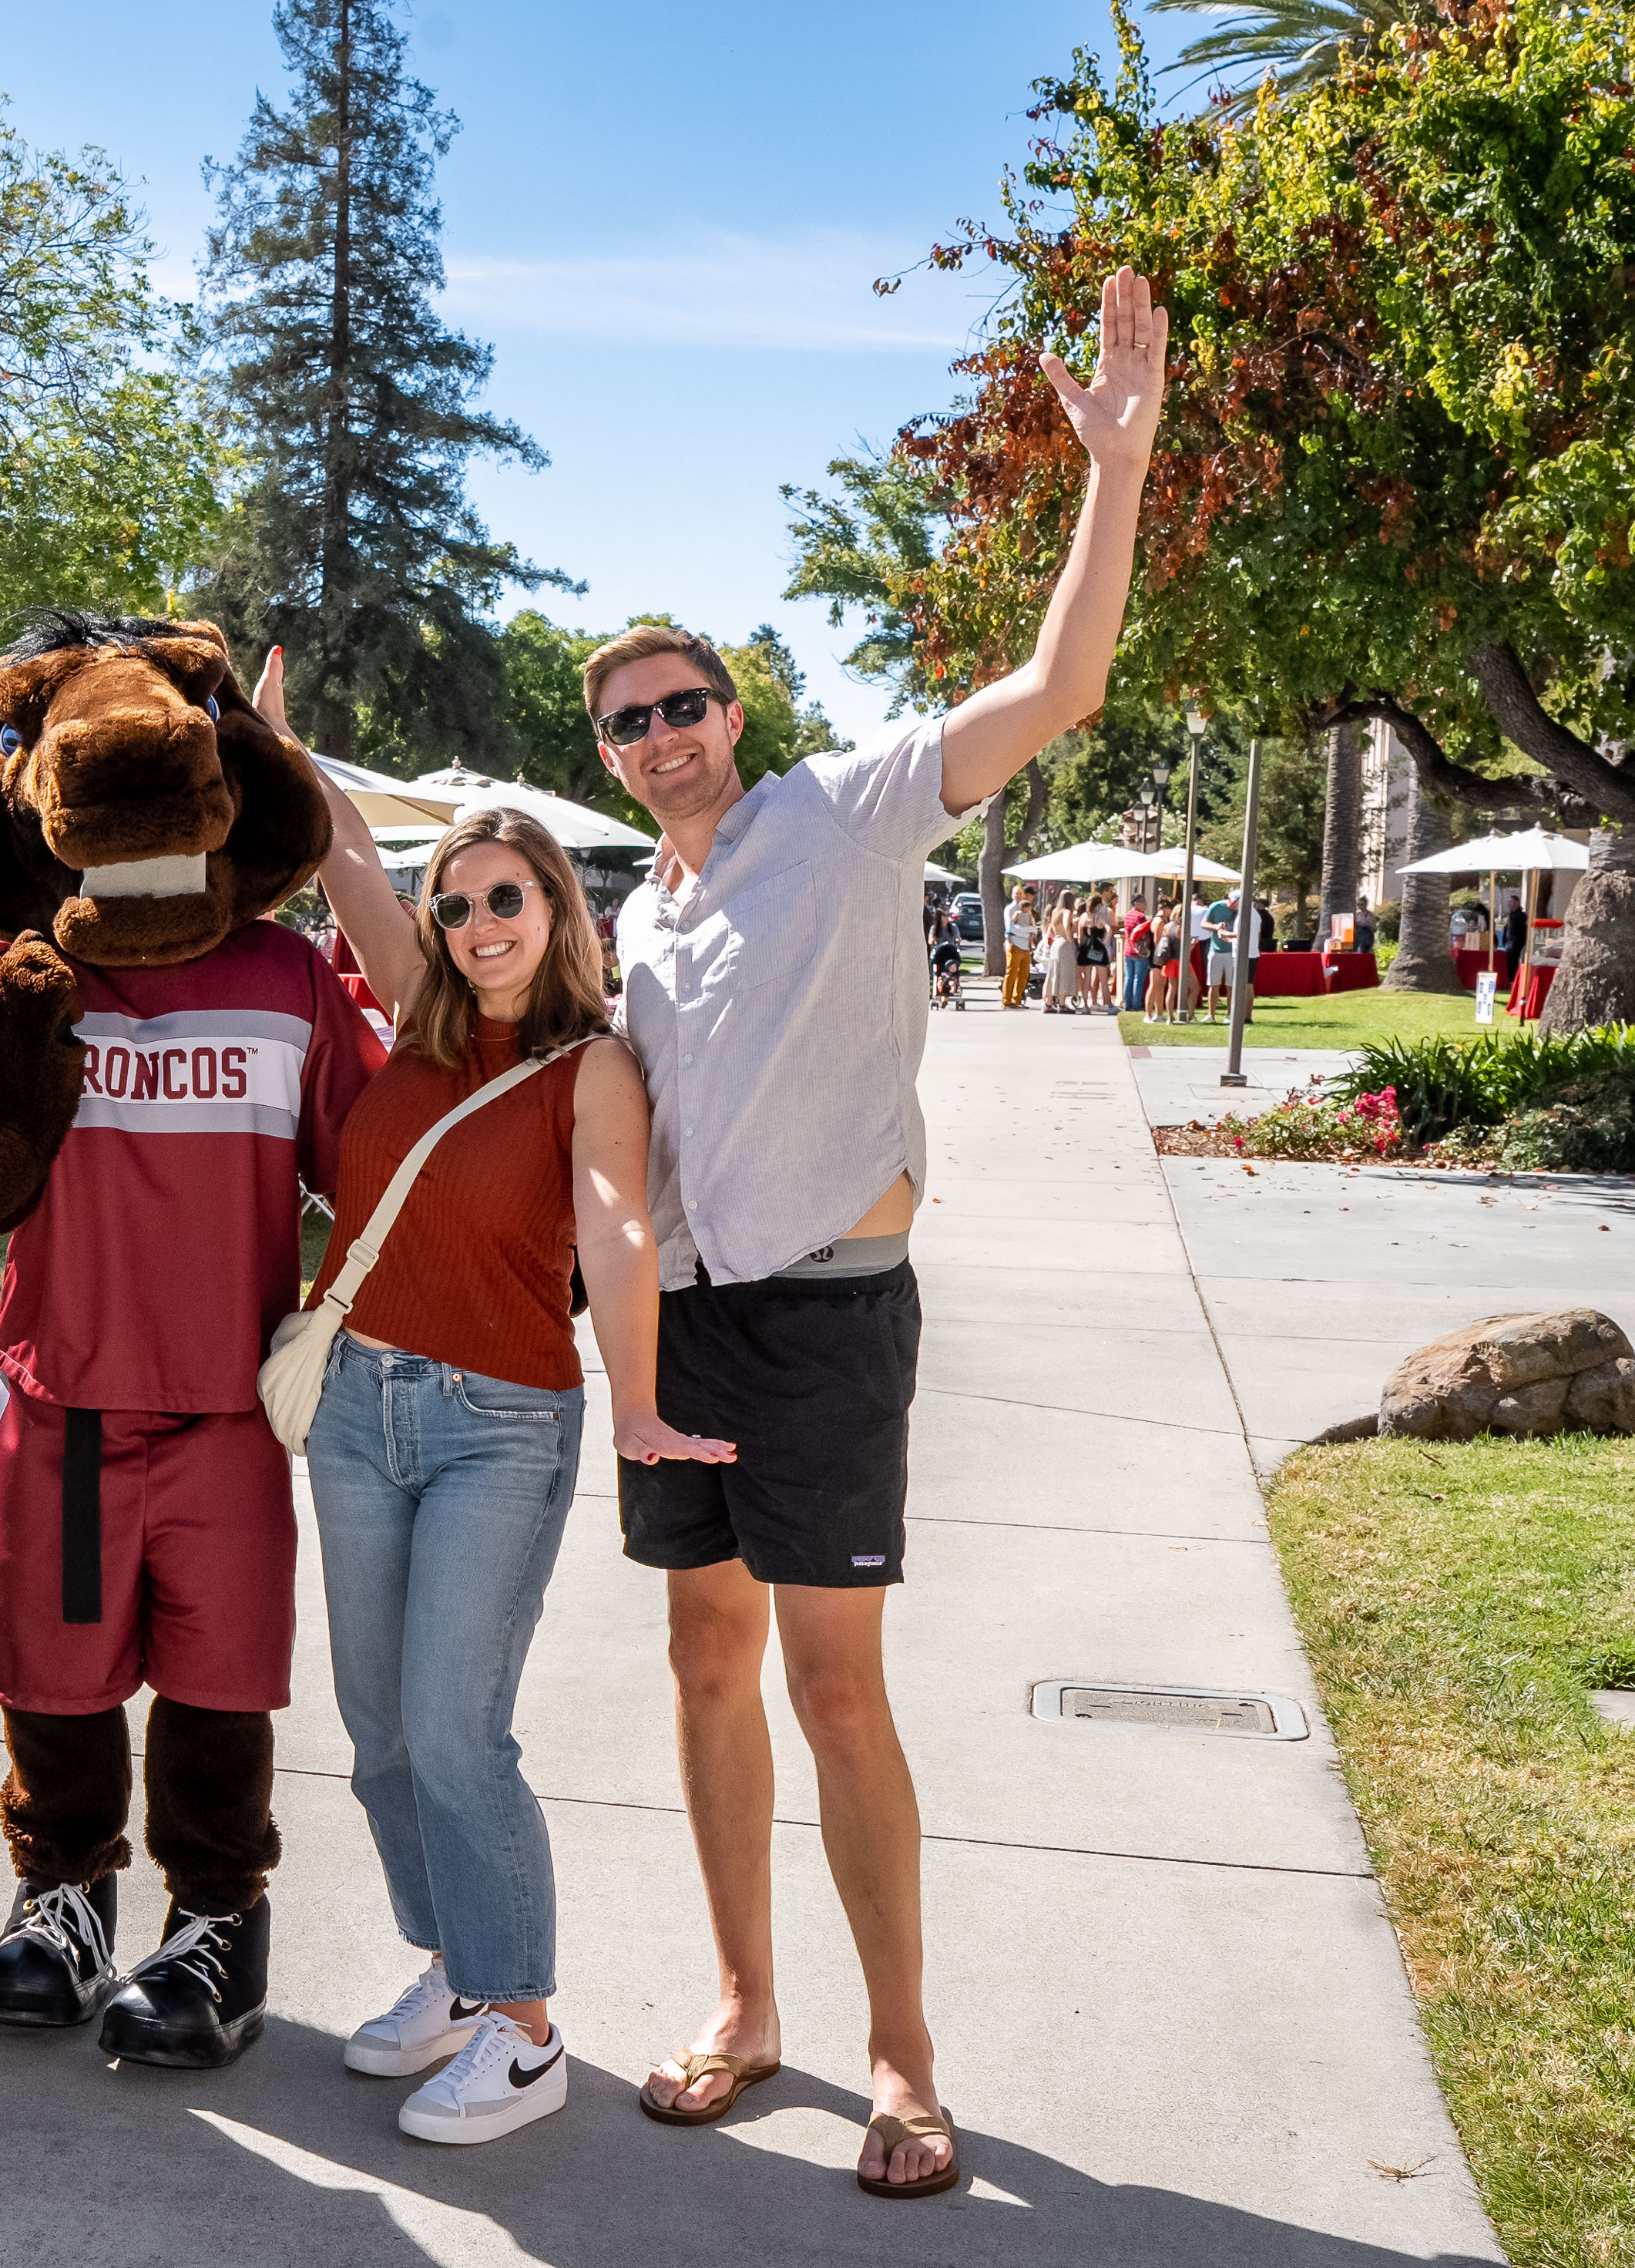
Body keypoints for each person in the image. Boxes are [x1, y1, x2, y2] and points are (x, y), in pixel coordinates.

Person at [599, 266, 1163, 2200]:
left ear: (732, 707)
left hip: (831, 1323)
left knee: (835, 1689)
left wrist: (1115, 466)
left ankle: (899, 2060)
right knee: (698, 1664)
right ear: (604, 756)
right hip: (683, 1332)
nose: (659, 734)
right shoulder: (638, 921)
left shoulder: (841, 812)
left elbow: (1057, 687)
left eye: (680, 703)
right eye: (624, 722)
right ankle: (742, 2008)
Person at [304, 801, 734, 2145]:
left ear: (558, 910)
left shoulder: (590, 1066)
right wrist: (282, 745)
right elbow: (350, 861)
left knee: (453, 1725)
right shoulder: (419, 1017)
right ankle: (456, 1967)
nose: (480, 925)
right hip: (355, 1409)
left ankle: (527, 2026)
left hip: (498, 1422)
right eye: (458, 903)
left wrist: (639, 1394)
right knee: (378, 1729)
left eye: (507, 899)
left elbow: (612, 1223)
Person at [999, 887, 1032, 1009]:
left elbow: (1032, 926)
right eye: (1016, 894)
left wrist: (1029, 933)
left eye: (1020, 893)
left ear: (1024, 895)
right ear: (1011, 895)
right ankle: (1006, 1000)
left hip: (1025, 946)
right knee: (1011, 973)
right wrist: (1026, 932)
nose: (1018, 896)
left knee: (1024, 974)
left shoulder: (1027, 909)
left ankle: (1017, 999)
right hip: (1014, 945)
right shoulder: (1010, 909)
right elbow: (1011, 928)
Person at [1120, 893, 1153, 1015]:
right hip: (1140, 951)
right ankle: (1137, 1004)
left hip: (1128, 950)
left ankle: (1127, 1004)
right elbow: (1143, 934)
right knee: (1138, 979)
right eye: (1143, 902)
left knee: (1129, 978)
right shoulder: (1141, 917)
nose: (1145, 905)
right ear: (1137, 903)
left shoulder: (1128, 915)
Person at [1493, 890, 1526, 993]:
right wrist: (1504, 940)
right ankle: (1511, 982)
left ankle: (1514, 983)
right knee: (1509, 963)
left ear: (1516, 903)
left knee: (1513, 962)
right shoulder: (1511, 915)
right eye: (1508, 902)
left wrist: (1515, 942)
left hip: (1515, 943)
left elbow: (1521, 931)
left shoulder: (1521, 916)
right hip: (1509, 943)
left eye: (1510, 902)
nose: (1508, 904)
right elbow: (1508, 928)